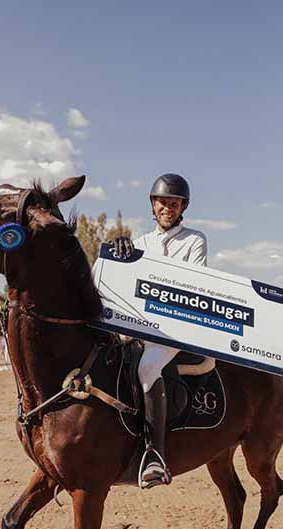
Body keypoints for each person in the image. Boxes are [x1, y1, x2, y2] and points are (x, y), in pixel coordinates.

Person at [111, 173, 207, 488]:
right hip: (139, 326)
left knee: (148, 367)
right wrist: (120, 255)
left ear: (183, 207)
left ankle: (155, 454)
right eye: (162, 202)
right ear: (153, 205)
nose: (167, 208)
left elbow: (192, 284)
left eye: (174, 203)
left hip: (174, 330)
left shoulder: (195, 240)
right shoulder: (140, 243)